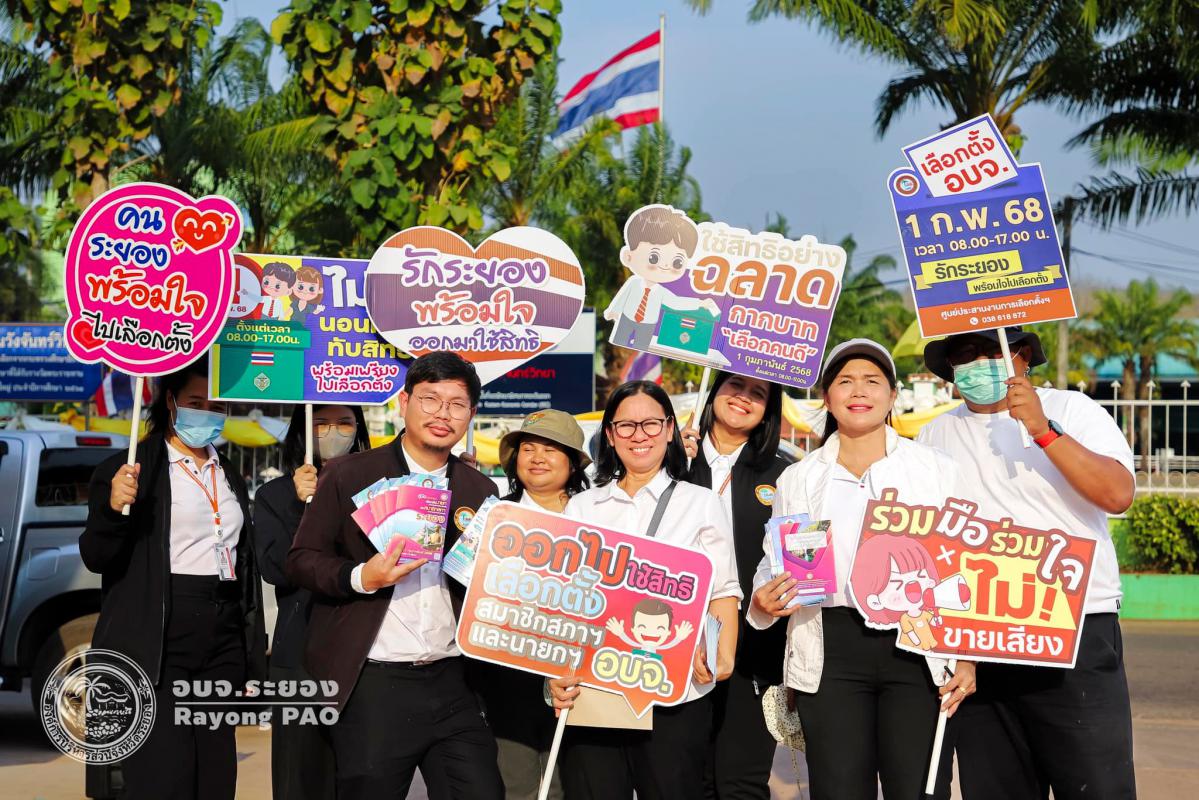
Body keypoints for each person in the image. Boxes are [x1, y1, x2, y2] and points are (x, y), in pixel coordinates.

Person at [746, 339, 975, 800]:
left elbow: (965, 565)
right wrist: (763, 599)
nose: (859, 391)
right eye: (845, 381)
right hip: (830, 650)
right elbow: (775, 561)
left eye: (872, 381)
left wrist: (967, 655)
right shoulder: (799, 478)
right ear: (827, 398)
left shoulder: (935, 470)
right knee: (838, 788)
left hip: (918, 646)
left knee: (919, 787)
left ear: (892, 396)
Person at [918, 326, 1136, 800]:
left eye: (990, 349)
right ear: (951, 369)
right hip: (979, 641)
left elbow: (1118, 494)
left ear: (1021, 356)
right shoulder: (934, 434)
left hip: (1073, 629)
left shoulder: (1072, 409)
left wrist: (1042, 429)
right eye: (964, 354)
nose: (979, 362)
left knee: (1099, 788)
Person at [286, 351, 502, 800]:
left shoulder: (480, 489)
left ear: (471, 414)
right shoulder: (348, 474)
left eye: (456, 404)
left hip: (453, 679)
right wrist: (363, 576)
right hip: (374, 683)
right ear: (404, 402)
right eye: (430, 399)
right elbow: (302, 559)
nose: (443, 414)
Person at [80, 355, 267, 800]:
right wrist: (113, 509)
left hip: (221, 637)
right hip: (157, 642)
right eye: (195, 403)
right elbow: (96, 556)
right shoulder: (130, 469)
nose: (207, 414)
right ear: (170, 402)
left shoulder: (228, 472)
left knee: (216, 779)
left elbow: (244, 566)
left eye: (216, 406)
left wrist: (249, 655)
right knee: (166, 778)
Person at [548, 380, 742, 800]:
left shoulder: (701, 502)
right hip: (595, 689)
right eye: (626, 425)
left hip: (675, 690)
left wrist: (723, 651)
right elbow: (564, 600)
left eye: (651, 424)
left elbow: (723, 588)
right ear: (610, 434)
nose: (639, 435)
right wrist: (554, 675)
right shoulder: (583, 507)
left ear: (670, 429)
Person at [680, 372, 789, 800]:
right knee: (684, 780)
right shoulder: (672, 463)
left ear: (769, 410)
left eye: (757, 393)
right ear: (714, 391)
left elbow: (794, 563)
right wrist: (668, 463)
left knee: (741, 782)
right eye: (734, 386)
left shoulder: (785, 475)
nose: (743, 397)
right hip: (673, 640)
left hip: (753, 650)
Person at [254, 403, 371, 800]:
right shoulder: (274, 495)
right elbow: (276, 568)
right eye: (320, 423)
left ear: (359, 429)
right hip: (299, 655)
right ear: (302, 430)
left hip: (364, 652)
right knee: (299, 777)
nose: (333, 433)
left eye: (344, 423)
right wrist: (301, 507)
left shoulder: (379, 489)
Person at [480, 409, 592, 800]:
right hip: (506, 677)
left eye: (551, 449)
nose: (537, 458)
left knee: (576, 784)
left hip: (582, 677)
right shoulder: (493, 514)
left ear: (573, 462)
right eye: (528, 448)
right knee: (517, 785)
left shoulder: (598, 515)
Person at [604, 205, 718, 351]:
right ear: (628, 256)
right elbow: (623, 296)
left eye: (677, 262)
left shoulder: (661, 292)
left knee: (640, 347)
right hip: (627, 318)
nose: (665, 266)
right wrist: (614, 310)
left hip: (648, 324)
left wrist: (700, 303)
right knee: (620, 338)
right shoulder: (633, 282)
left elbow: (676, 302)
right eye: (654, 257)